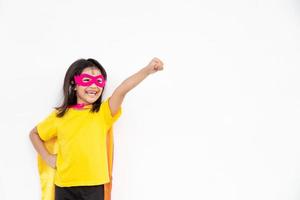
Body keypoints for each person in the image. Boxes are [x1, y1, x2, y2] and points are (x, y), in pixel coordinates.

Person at [29, 57, 164, 200]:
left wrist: (147, 70)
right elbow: (34, 134)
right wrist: (47, 157)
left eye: (99, 81)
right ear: (74, 84)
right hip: (64, 186)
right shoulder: (59, 116)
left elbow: (122, 89)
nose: (94, 86)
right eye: (87, 80)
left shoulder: (103, 113)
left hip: (94, 186)